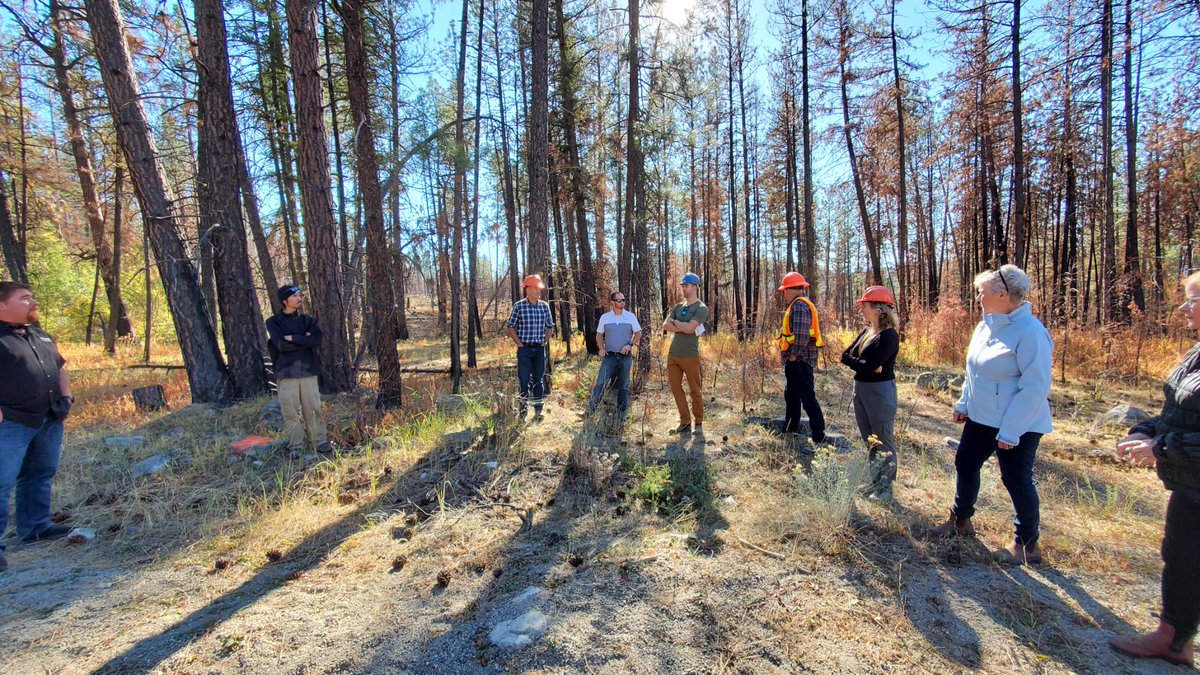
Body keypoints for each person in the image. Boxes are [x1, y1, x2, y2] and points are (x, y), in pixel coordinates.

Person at [930, 264, 1053, 565]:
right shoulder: (985, 326)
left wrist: (1011, 431)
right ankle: (961, 521)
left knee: (1015, 479)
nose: (978, 298)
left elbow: (1034, 388)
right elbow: (975, 372)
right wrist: (964, 404)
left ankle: (1027, 545)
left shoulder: (1031, 332)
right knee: (965, 462)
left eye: (982, 292)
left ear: (1002, 294)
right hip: (982, 417)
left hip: (1019, 423)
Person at [1107, 271, 1200, 667]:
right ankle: (1174, 637)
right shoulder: (1196, 352)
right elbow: (1181, 410)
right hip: (1191, 482)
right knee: (1181, 554)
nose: (1184, 308)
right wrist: (1146, 430)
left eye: (1193, 300)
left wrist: (1161, 447)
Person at [0, 282, 74, 572]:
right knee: (1, 483)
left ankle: (35, 528)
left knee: (40, 474)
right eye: (25, 299)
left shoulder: (39, 335)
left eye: (32, 297)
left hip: (49, 418)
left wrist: (66, 397)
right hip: (12, 422)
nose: (34, 303)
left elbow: (59, 368)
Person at [840, 286, 901, 499]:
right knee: (869, 440)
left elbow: (869, 364)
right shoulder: (868, 331)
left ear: (877, 308)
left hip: (880, 393)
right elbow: (845, 356)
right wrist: (864, 364)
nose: (861, 309)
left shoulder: (889, 336)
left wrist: (864, 364)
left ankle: (885, 490)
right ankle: (875, 483)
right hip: (862, 389)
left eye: (864, 305)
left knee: (883, 440)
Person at [265, 285, 333, 455]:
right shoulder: (273, 322)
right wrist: (304, 340)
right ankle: (296, 446)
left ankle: (320, 442)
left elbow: (316, 340)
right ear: (284, 300)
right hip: (286, 373)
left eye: (299, 295)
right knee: (290, 412)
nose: (298, 298)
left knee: (313, 409)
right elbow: (280, 345)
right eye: (294, 296)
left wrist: (293, 338)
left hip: (308, 371)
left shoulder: (307, 320)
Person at [776, 272, 826, 444]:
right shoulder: (799, 305)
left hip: (799, 360)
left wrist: (793, 355)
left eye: (785, 290)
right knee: (792, 396)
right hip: (797, 360)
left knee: (807, 398)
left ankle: (819, 435)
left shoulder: (798, 306)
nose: (784, 294)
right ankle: (790, 428)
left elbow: (802, 335)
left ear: (792, 289)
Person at [505, 274, 557, 421]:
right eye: (535, 288)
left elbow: (550, 326)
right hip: (524, 350)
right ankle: (522, 412)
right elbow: (510, 326)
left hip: (539, 350)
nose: (538, 291)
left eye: (538, 288)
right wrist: (519, 344)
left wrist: (545, 342)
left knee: (539, 380)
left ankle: (538, 410)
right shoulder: (519, 306)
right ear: (527, 289)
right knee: (523, 381)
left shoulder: (544, 306)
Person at [662, 273, 708, 434]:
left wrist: (677, 323)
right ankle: (685, 422)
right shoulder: (678, 307)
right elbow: (665, 325)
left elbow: (690, 329)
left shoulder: (701, 308)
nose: (683, 288)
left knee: (695, 389)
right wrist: (683, 325)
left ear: (695, 287)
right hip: (673, 354)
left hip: (690, 355)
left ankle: (699, 422)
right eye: (682, 285)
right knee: (675, 388)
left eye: (686, 285)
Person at [584, 291, 642, 419]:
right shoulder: (605, 317)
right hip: (609, 356)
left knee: (624, 385)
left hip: (625, 357)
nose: (623, 302)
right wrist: (601, 348)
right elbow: (599, 335)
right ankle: (590, 411)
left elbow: (638, 333)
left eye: (624, 300)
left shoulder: (630, 316)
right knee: (600, 383)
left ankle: (621, 413)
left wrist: (630, 345)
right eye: (619, 300)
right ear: (612, 303)